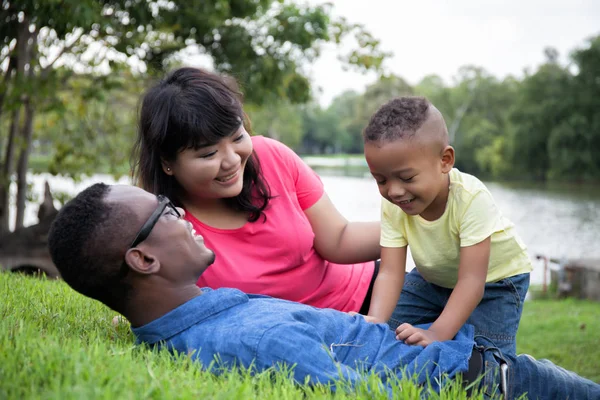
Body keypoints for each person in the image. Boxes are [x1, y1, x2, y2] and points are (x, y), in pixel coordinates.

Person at [47, 183, 600, 399]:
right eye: (165, 212)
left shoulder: (185, 321)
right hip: (488, 379)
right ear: (142, 259)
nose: (183, 215)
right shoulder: (258, 340)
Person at [130, 67, 380, 314]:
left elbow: (339, 239)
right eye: (208, 153)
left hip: (374, 292)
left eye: (238, 138)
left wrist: (411, 225)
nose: (231, 161)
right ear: (167, 162)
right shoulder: (162, 228)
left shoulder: (271, 156)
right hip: (310, 336)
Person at [361, 97, 533, 358]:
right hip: (434, 279)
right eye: (381, 180)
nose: (394, 191)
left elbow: (472, 281)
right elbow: (390, 272)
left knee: (483, 357)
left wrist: (437, 333)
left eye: (407, 178)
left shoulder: (470, 198)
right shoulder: (393, 204)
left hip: (495, 282)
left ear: (445, 160)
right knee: (389, 334)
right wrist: (375, 319)